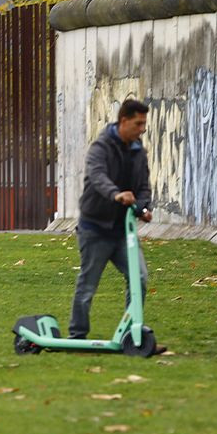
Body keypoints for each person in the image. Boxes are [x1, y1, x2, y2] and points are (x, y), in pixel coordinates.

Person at [69, 98, 155, 341]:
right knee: (88, 285)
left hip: (122, 232)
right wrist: (116, 194)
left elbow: (143, 188)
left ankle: (131, 334)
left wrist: (143, 208)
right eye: (138, 124)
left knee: (139, 278)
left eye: (143, 124)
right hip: (95, 229)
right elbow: (98, 178)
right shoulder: (101, 147)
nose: (142, 129)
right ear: (123, 120)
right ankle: (77, 335)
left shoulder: (139, 152)